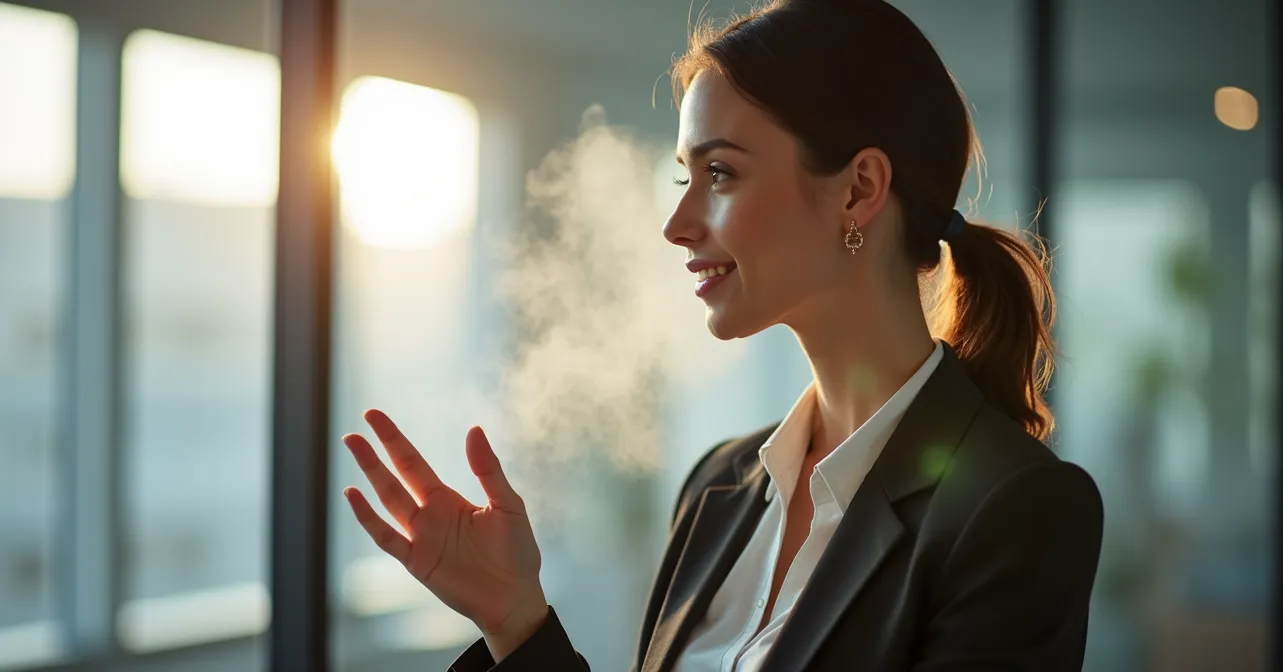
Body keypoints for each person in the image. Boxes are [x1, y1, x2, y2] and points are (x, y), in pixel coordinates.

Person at [341, 0, 1104, 669]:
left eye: (721, 174)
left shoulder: (1017, 510)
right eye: (685, 176)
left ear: (860, 190)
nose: (676, 226)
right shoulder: (718, 486)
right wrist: (517, 622)